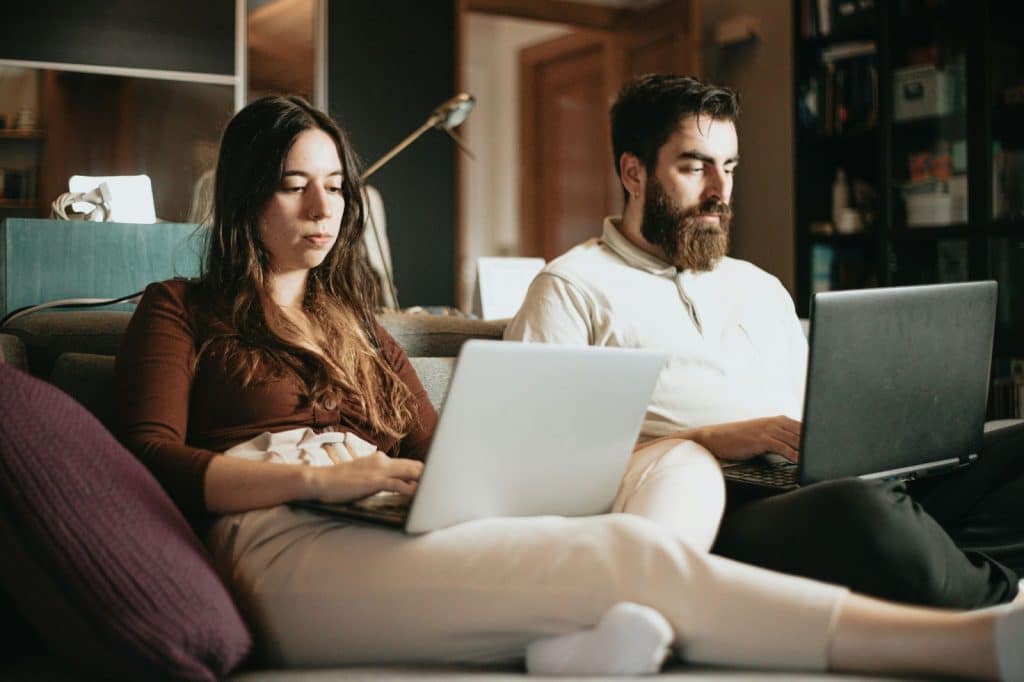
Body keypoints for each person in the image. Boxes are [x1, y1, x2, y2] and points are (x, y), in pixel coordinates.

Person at [115, 93, 1024, 679]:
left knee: (681, 468)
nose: (324, 210)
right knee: (628, 555)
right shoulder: (182, 307)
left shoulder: (360, 324)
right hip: (281, 533)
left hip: (388, 515)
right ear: (243, 198)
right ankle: (976, 646)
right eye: (291, 187)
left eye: (335, 188)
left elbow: (447, 449)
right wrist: (322, 478)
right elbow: (153, 461)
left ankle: (591, 644)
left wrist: (469, 482)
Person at [504, 73, 1024, 610]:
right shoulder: (571, 288)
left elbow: (820, 413)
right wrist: (709, 439)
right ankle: (984, 599)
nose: (719, 191)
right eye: (693, 166)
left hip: (827, 484)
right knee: (860, 512)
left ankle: (937, 569)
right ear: (633, 173)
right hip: (728, 506)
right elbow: (532, 459)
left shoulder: (759, 285)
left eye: (728, 167)